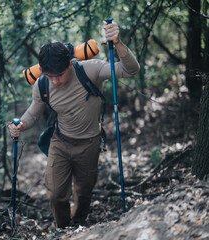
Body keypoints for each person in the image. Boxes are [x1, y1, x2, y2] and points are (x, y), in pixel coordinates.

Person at [8, 22, 140, 228]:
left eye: (59, 75)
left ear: (70, 64)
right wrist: (20, 125)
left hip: (89, 143)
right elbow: (34, 113)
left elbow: (130, 70)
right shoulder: (42, 83)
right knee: (55, 193)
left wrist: (118, 43)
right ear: (42, 71)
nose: (55, 81)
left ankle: (78, 224)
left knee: (84, 191)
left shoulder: (90, 70)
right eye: (50, 76)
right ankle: (63, 228)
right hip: (60, 142)